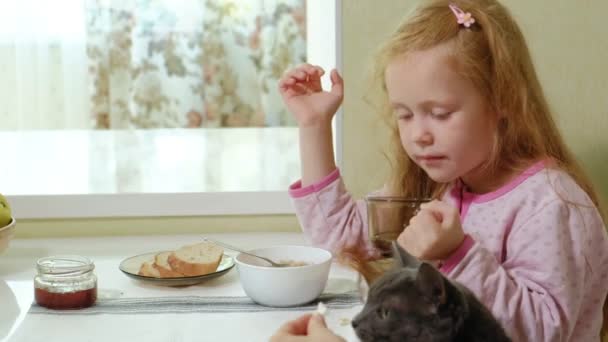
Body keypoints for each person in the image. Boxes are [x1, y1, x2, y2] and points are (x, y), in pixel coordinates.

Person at [271, 0, 608, 341]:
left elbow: (540, 334)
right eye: (404, 114)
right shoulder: (443, 184)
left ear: (501, 99)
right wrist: (314, 126)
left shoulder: (550, 204)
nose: (419, 135)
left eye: (441, 113)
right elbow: (343, 242)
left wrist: (458, 254)